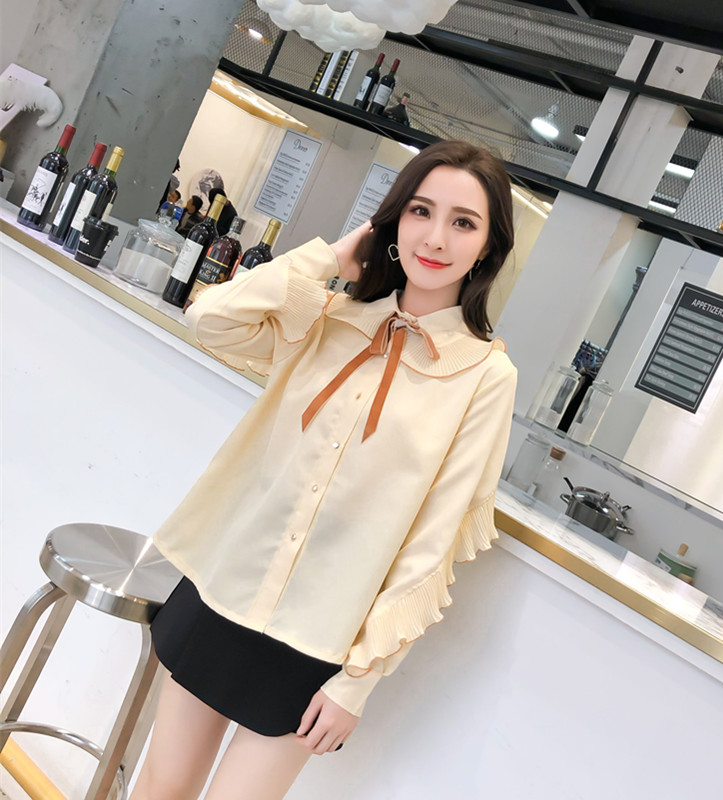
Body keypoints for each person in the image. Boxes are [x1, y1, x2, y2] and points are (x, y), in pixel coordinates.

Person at [131, 140, 518, 800]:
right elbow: (210, 317)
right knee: (159, 789)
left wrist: (357, 683)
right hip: (224, 589)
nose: (436, 237)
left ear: (487, 246)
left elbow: (430, 546)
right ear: (392, 220)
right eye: (420, 211)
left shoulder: (485, 376)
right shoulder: (328, 318)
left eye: (463, 222)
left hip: (318, 641)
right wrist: (333, 258)